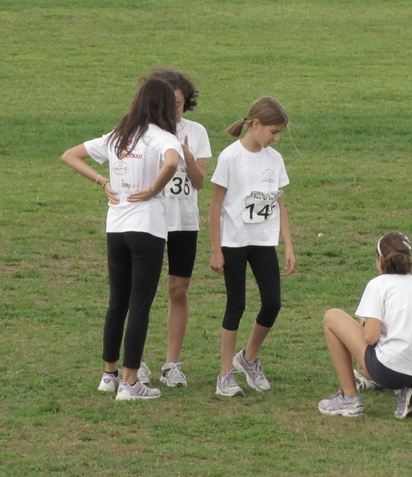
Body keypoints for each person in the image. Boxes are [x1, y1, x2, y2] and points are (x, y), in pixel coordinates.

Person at [61, 77, 183, 400]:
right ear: (164, 106)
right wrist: (154, 189)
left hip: (116, 228)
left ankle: (109, 374)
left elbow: (69, 155)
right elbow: (172, 161)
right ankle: (131, 383)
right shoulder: (162, 137)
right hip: (148, 229)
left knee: (117, 303)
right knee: (139, 304)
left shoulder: (118, 137)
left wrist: (102, 181)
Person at [119, 68, 212, 388]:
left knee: (178, 290)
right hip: (148, 221)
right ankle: (138, 361)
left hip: (183, 222)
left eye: (179, 102)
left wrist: (186, 154)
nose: (174, 108)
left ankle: (172, 364)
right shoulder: (142, 133)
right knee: (139, 292)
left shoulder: (196, 132)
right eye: (168, 102)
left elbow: (199, 182)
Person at [209, 97, 295, 396]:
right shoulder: (230, 157)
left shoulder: (275, 159)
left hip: (263, 241)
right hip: (233, 241)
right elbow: (215, 205)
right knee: (236, 304)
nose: (276, 138)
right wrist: (216, 249)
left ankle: (249, 357)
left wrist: (288, 245)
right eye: (273, 131)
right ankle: (225, 374)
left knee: (273, 302)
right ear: (255, 124)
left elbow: (279, 203)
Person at [318, 232, 412, 419]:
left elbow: (370, 337)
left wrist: (365, 324)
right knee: (368, 365)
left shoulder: (379, 284)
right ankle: (403, 391)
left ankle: (349, 400)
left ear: (380, 259)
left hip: (391, 370)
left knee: (332, 317)